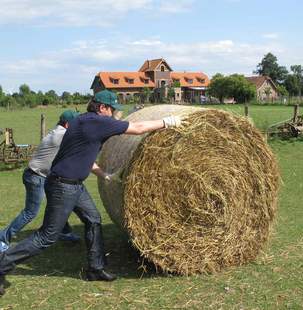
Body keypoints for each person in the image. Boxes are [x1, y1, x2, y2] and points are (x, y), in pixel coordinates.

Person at [0, 90, 181, 296]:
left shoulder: (81, 121)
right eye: (112, 110)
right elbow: (138, 128)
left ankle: (95, 268)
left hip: (73, 184)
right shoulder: (97, 122)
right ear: (102, 107)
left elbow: (82, 155)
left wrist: (104, 175)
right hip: (63, 186)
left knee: (93, 219)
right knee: (47, 237)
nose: (114, 115)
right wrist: (167, 122)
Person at [0, 110, 81, 253]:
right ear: (68, 124)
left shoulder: (57, 131)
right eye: (76, 124)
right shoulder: (61, 135)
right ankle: (2, 238)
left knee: (56, 204)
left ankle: (65, 231)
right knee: (30, 212)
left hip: (41, 176)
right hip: (36, 177)